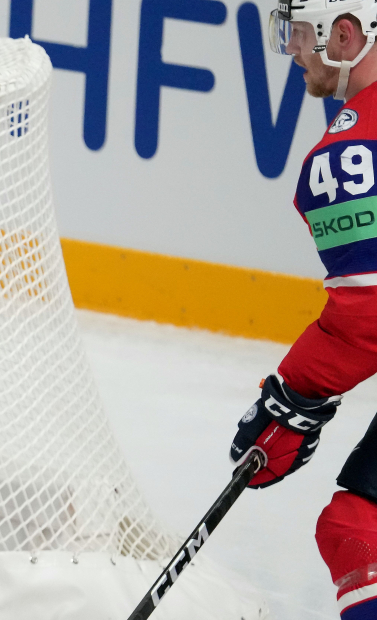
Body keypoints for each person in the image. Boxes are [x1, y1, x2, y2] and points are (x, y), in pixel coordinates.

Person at [232, 3, 377, 618]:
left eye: (296, 35)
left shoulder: (348, 154)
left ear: (343, 34)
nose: (291, 51)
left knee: (358, 529)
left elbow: (368, 314)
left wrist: (297, 394)